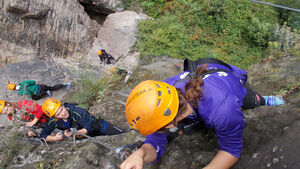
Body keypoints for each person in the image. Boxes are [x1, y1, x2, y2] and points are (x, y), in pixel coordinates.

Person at [120, 58, 286, 169]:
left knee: (253, 100)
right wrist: (140, 154)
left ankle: (266, 100)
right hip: (203, 75)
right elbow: (155, 142)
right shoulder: (161, 94)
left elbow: (231, 151)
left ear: (170, 124)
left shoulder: (223, 109)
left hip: (227, 79)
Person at [40, 98, 126, 142]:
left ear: (62, 105)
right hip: (86, 137)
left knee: (124, 136)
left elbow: (88, 126)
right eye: (58, 114)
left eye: (62, 109)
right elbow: (43, 135)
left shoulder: (77, 111)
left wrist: (73, 133)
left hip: (98, 126)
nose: (63, 113)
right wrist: (55, 138)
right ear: (55, 117)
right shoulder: (54, 122)